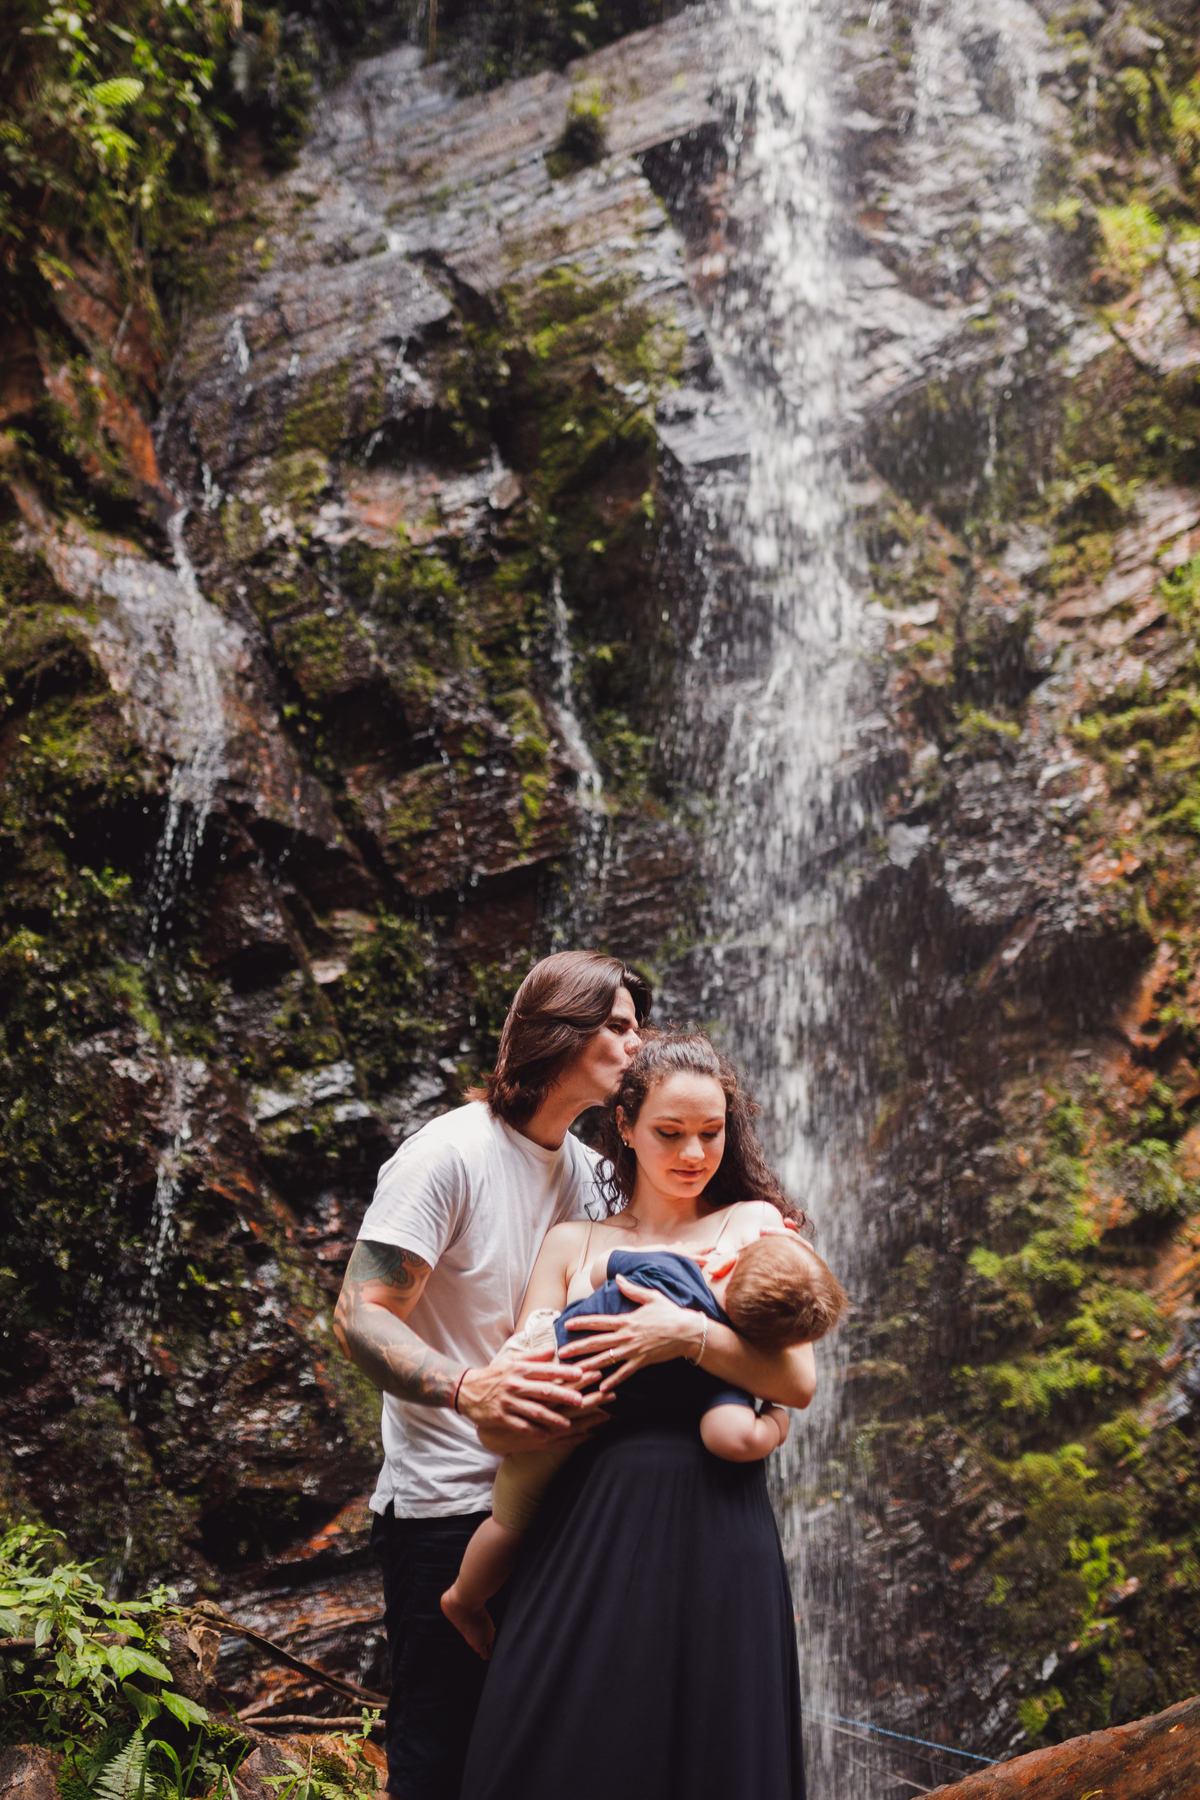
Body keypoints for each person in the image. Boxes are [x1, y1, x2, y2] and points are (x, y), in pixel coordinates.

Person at [332, 957, 816, 1800]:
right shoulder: (449, 1153)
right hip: (454, 1503)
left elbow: (770, 1352)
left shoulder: (592, 1177)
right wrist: (468, 1388)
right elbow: (359, 1313)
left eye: (641, 1028)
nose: (642, 1042)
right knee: (447, 1758)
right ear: (559, 1032)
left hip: (570, 1504)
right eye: (622, 1026)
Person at [459, 1030, 831, 1800]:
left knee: (713, 1748)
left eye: (711, 1132)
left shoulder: (754, 1225)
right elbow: (501, 1412)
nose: (694, 1153)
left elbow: (797, 1381)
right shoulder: (573, 1242)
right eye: (670, 1132)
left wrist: (687, 1335)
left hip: (714, 1523)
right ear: (623, 1126)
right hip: (580, 1519)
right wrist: (538, 1413)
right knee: (548, 1746)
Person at [442, 1229, 848, 1657]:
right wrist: (776, 1421)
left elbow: (600, 1269)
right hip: (560, 1414)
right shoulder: (716, 1366)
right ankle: (463, 1600)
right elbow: (731, 1437)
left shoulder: (667, 1267)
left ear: (726, 1265)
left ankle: (466, 1597)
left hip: (537, 1349)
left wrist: (670, 1253)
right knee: (509, 1524)